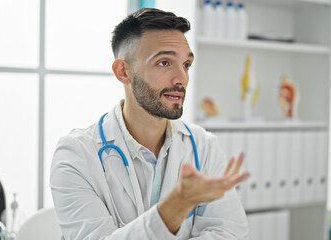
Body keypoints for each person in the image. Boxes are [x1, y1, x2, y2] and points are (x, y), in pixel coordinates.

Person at [50, 8, 250, 239]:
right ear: (123, 71)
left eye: (186, 64)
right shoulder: (76, 155)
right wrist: (177, 204)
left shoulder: (204, 146)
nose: (182, 79)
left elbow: (229, 233)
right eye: (164, 63)